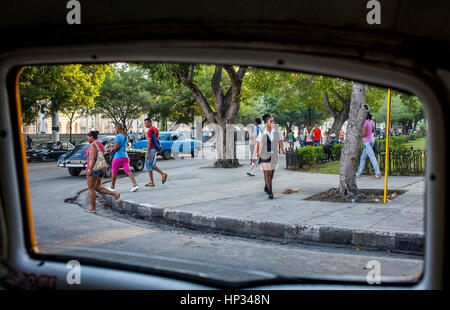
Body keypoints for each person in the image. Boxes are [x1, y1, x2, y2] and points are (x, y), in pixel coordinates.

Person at [85, 130, 120, 213]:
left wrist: (90, 169)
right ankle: (115, 195)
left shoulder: (93, 144)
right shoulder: (99, 144)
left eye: (88, 137)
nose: (88, 139)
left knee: (91, 189)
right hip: (101, 169)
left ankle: (93, 208)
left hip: (94, 169)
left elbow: (94, 158)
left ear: (92, 137)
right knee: (98, 188)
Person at [254, 114, 286, 199]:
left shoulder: (277, 131)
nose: (272, 122)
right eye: (271, 121)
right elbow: (258, 143)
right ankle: (270, 192)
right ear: (266, 123)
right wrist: (256, 154)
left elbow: (280, 140)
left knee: (271, 173)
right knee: (267, 173)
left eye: (273, 121)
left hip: (274, 154)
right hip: (264, 154)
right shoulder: (262, 132)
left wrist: (283, 149)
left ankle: (266, 186)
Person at [108, 123, 139, 192]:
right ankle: (135, 185)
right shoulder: (125, 136)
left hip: (118, 157)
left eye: (115, 128)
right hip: (125, 156)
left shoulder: (117, 137)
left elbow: (116, 148)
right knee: (128, 171)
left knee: (114, 172)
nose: (114, 129)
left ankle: (112, 187)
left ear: (117, 128)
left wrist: (111, 149)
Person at [356, 113, 382, 179]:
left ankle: (378, 173)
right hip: (371, 141)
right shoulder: (370, 121)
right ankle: (359, 173)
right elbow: (372, 130)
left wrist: (358, 135)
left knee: (372, 158)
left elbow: (364, 134)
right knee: (363, 158)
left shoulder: (365, 122)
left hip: (367, 142)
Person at [144, 118, 168, 186]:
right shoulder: (156, 129)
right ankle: (162, 174)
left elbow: (149, 142)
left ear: (149, 123)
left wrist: (147, 152)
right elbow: (157, 139)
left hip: (151, 149)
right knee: (152, 165)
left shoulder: (149, 131)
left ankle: (152, 181)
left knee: (149, 166)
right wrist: (159, 146)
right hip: (154, 149)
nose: (145, 125)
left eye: (146, 123)